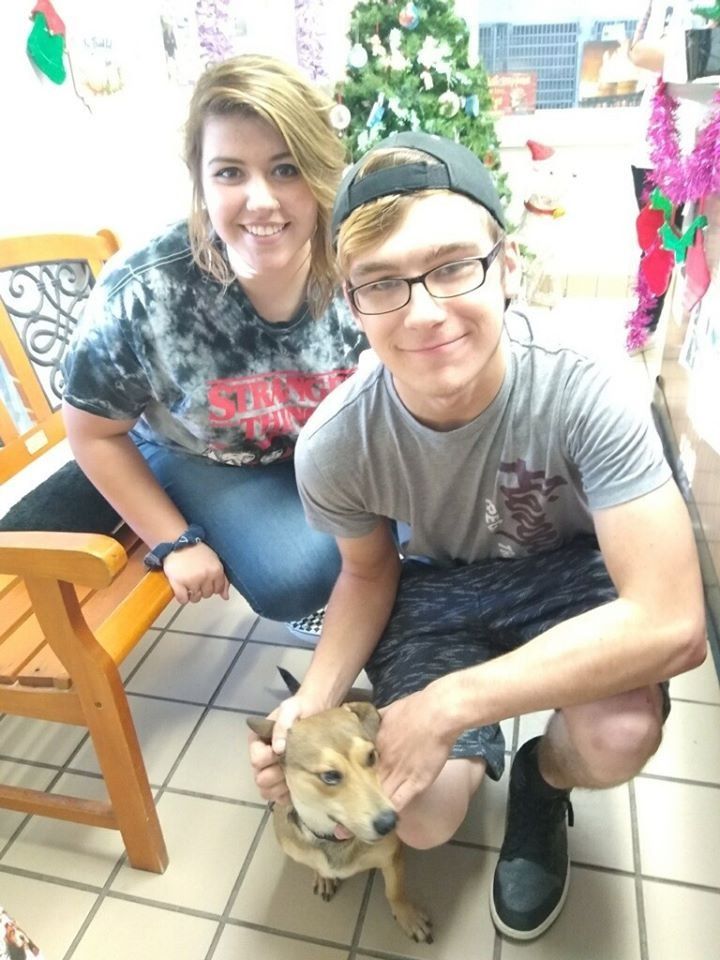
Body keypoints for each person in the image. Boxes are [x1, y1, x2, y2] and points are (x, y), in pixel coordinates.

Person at [249, 131, 706, 940]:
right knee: (421, 816)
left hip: (566, 570)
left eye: (454, 265)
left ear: (507, 267)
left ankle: (542, 782)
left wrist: (452, 702)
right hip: (436, 586)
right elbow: (367, 573)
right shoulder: (336, 443)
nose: (424, 312)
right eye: (382, 283)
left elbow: (673, 623)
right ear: (352, 304)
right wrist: (311, 705)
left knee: (620, 732)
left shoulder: (587, 388)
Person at [62, 55, 366, 623]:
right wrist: (174, 541)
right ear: (200, 181)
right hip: (204, 452)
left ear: (322, 170)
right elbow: (92, 432)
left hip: (318, 440)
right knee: (297, 571)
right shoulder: (145, 291)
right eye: (230, 173)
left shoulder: (361, 259)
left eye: (286, 168)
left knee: (410, 515)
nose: (261, 200)